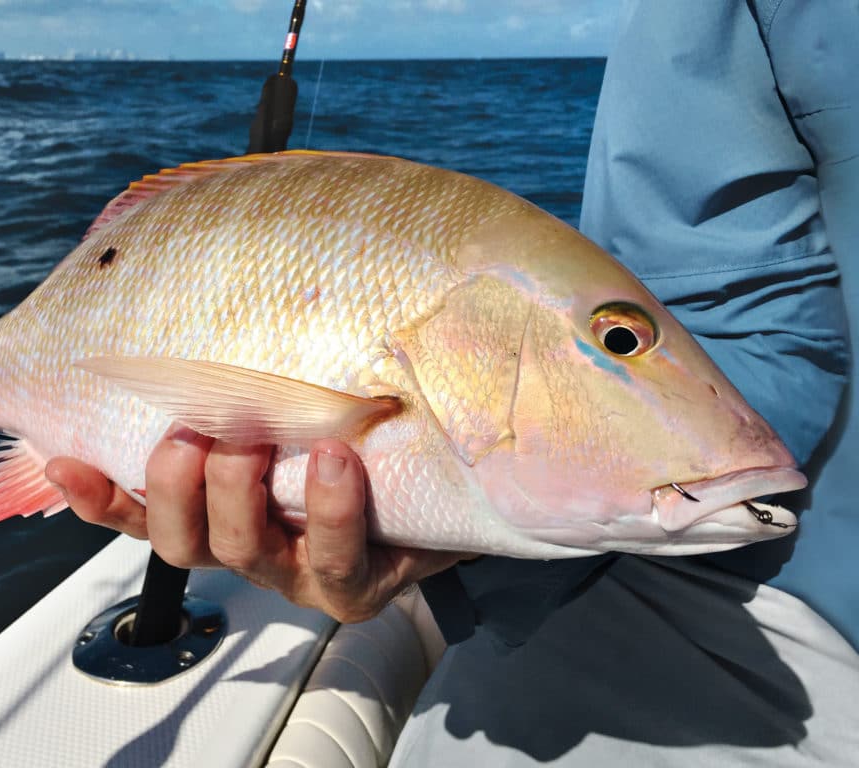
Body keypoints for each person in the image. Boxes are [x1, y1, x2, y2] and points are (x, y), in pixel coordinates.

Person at [47, 1, 859, 764]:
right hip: (763, 609)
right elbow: (741, 312)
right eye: (617, 337)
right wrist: (463, 540)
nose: (618, 342)